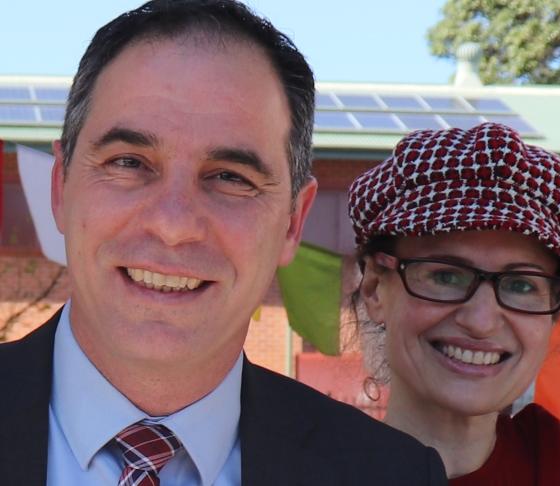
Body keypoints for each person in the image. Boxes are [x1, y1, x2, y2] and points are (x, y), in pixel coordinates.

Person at [0, 1, 448, 485]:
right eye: (129, 162)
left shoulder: (391, 474)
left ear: (293, 222)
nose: (172, 225)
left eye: (230, 177)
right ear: (60, 186)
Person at [348, 122, 560, 484]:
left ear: (552, 313)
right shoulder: (291, 470)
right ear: (375, 290)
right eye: (446, 276)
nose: (481, 321)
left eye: (520, 285)